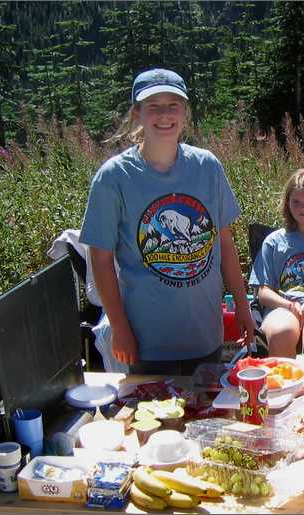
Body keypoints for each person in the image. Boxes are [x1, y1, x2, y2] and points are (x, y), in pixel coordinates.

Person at [79, 68, 254, 375]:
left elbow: (224, 243)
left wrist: (242, 305)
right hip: (145, 344)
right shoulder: (113, 178)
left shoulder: (207, 167)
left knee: (206, 422)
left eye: (172, 105)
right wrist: (119, 327)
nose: (164, 115)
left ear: (185, 113)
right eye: (153, 106)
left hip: (204, 338)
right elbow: (101, 260)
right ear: (137, 113)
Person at [249, 169, 304, 357]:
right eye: (295, 202)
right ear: (287, 204)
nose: (302, 208)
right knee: (283, 332)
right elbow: (262, 292)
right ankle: (285, 384)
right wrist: (289, 305)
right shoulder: (274, 241)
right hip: (283, 305)